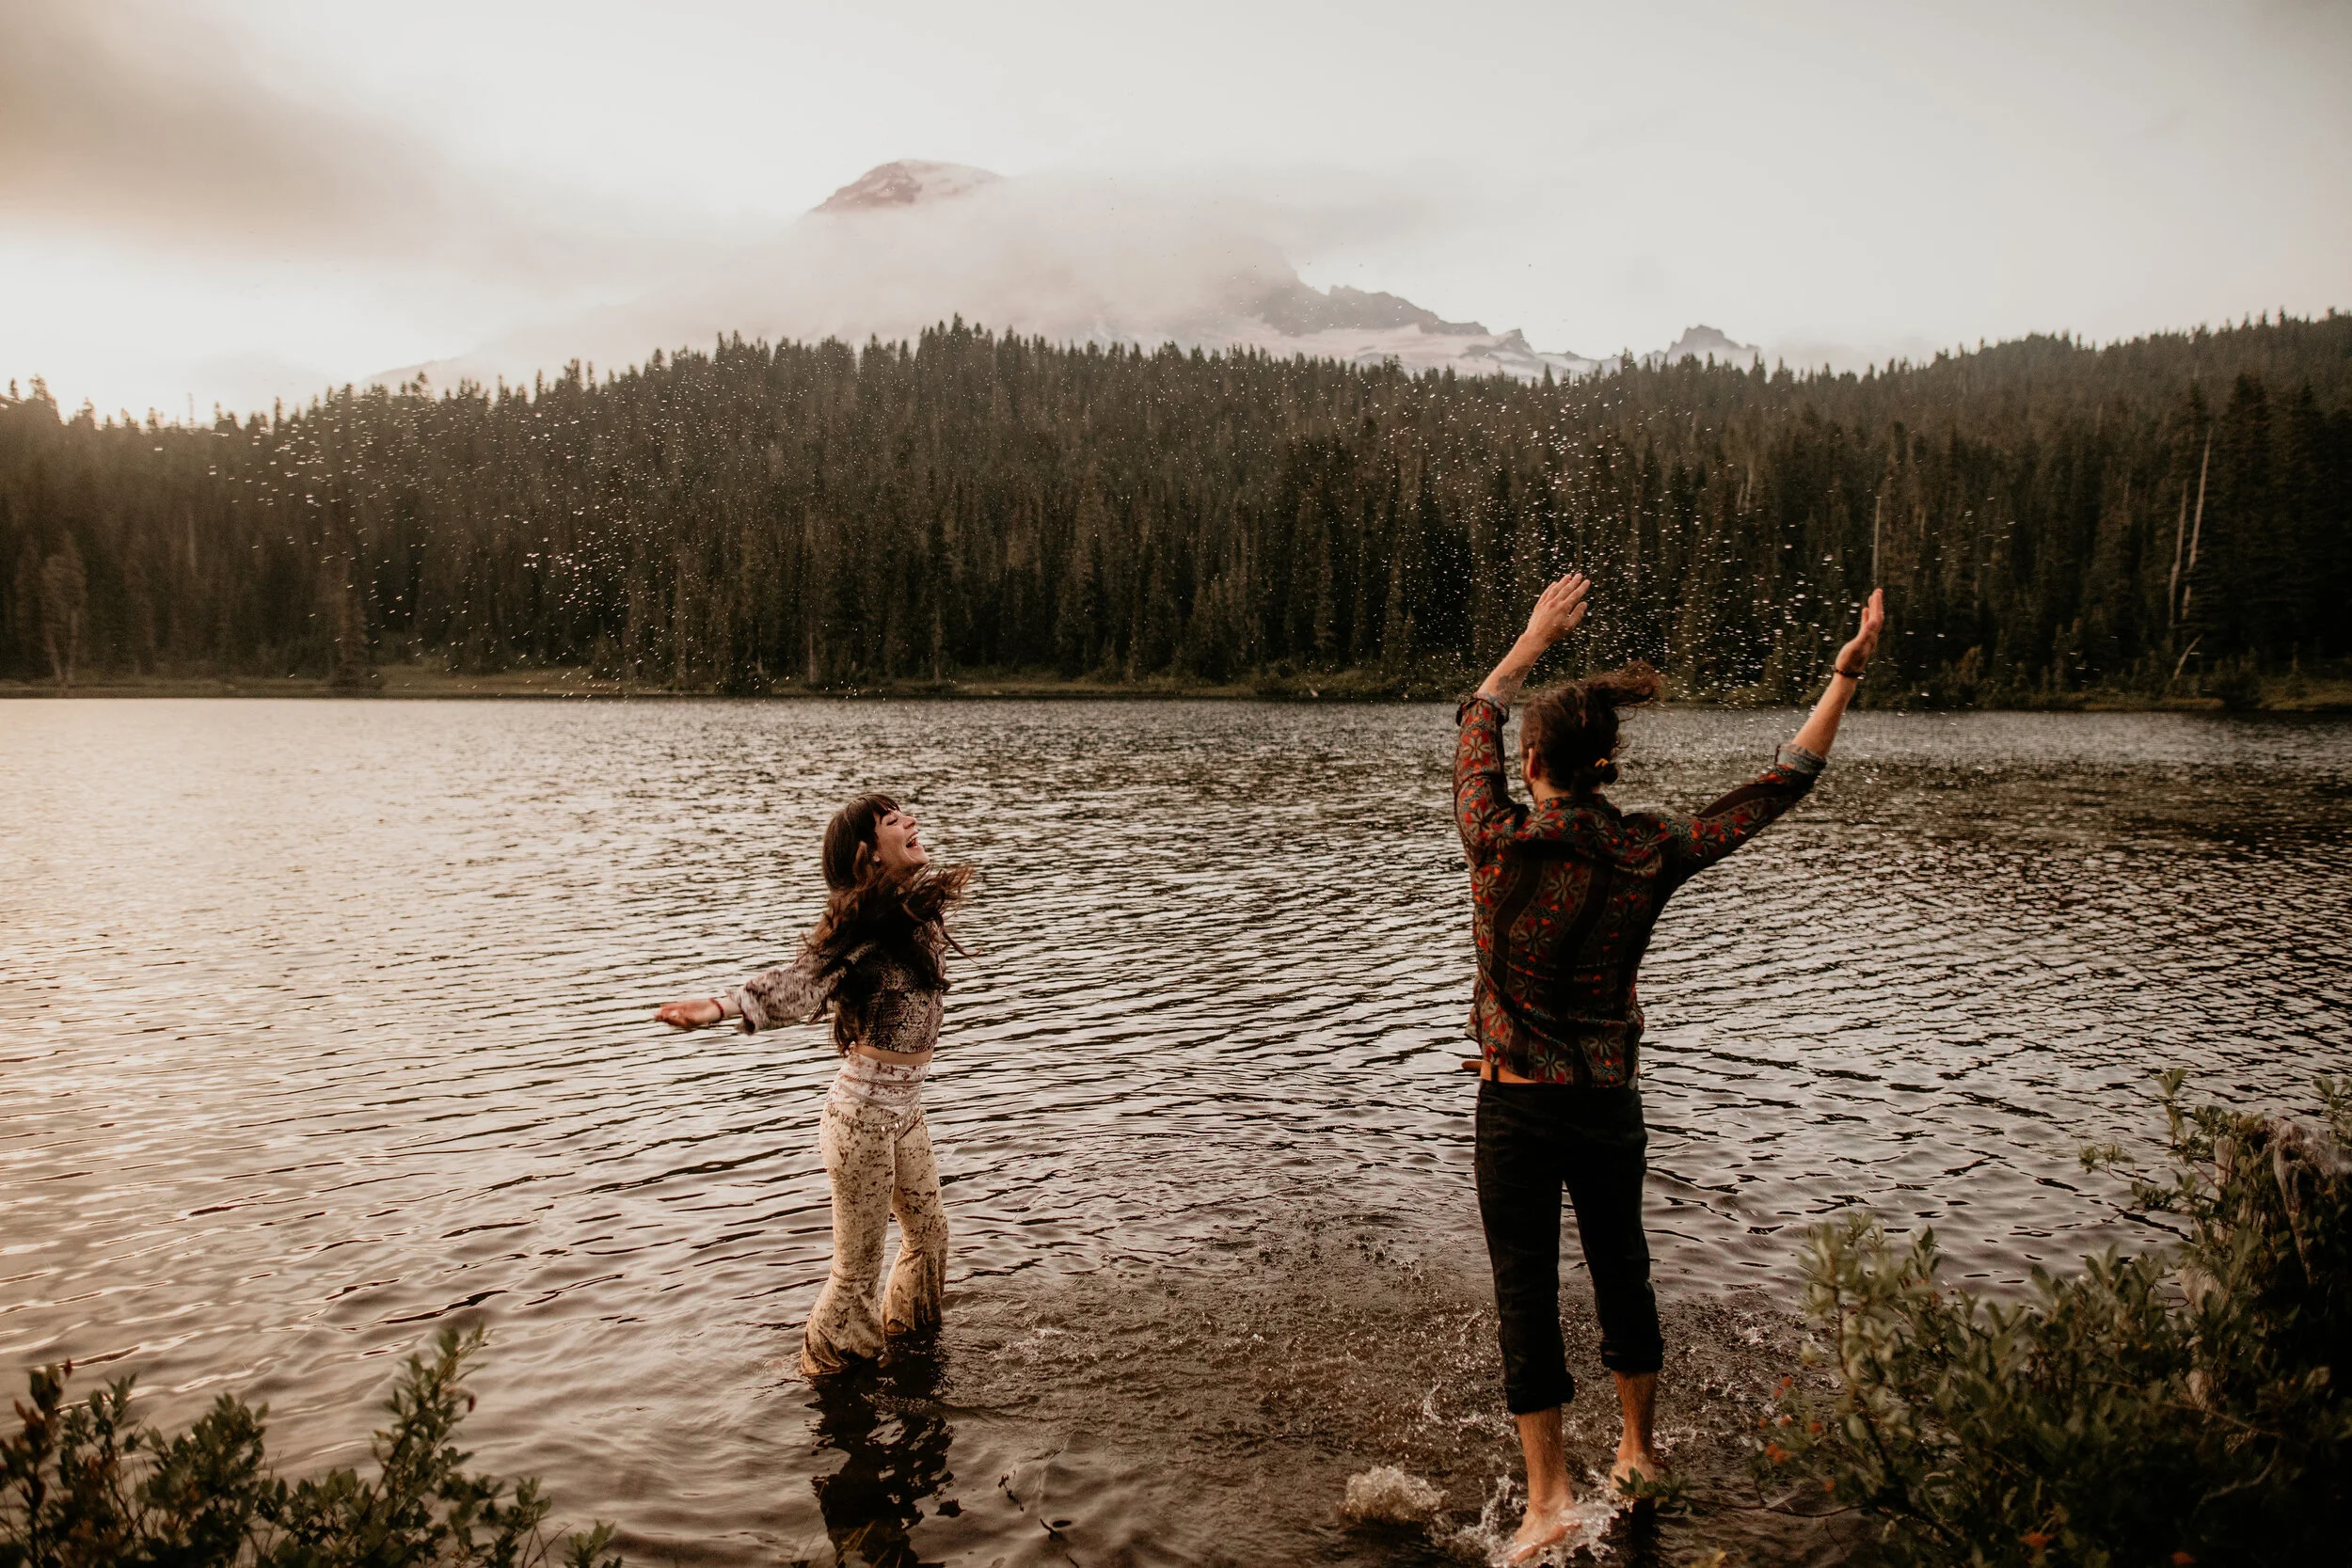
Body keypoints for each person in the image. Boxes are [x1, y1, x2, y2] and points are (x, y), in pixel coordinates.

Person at [1454, 572, 1885, 1562]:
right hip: (1609, 1104)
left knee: (1526, 1289)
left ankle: (1547, 1499)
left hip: (1515, 1106)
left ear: (1533, 765)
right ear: (1605, 765)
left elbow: (1479, 710)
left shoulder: (1495, 838)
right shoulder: (1649, 848)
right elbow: (1777, 785)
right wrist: (1840, 677)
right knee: (1624, 1271)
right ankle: (1639, 1450)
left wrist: (1529, 641)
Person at [656, 794, 973, 1376]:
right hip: (861, 1123)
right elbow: (801, 983)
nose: (910, 821)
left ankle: (912, 1350)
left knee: (929, 1238)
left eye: (905, 812)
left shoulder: (913, 912)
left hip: (905, 1110)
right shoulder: (860, 933)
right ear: (865, 856)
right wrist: (726, 1006)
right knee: (857, 1272)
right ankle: (826, 1373)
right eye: (891, 821)